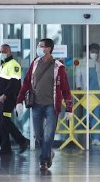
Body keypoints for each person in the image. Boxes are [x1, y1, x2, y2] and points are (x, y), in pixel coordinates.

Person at [16, 38, 73, 170]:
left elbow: (66, 89)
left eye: (41, 46)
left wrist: (69, 108)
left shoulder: (58, 67)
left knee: (48, 135)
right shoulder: (35, 63)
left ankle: (44, 161)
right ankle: (49, 153)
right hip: (36, 104)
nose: (38, 48)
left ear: (48, 49)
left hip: (51, 106)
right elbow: (26, 83)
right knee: (39, 134)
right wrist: (19, 101)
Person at [0, 44, 29, 157]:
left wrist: (4, 95)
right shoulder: (3, 65)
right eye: (0, 51)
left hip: (8, 100)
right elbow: (0, 84)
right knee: (0, 122)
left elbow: (14, 83)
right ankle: (5, 148)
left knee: (5, 120)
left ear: (9, 52)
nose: (1, 54)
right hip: (1, 100)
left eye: (3, 51)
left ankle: (22, 141)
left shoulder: (14, 65)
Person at [75, 43, 100, 146]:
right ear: (88, 52)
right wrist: (79, 92)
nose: (95, 54)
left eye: (97, 52)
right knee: (88, 115)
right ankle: (92, 135)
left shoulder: (97, 64)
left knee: (99, 114)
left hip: (97, 93)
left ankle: (94, 136)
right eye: (93, 51)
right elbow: (78, 79)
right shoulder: (82, 63)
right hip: (87, 93)